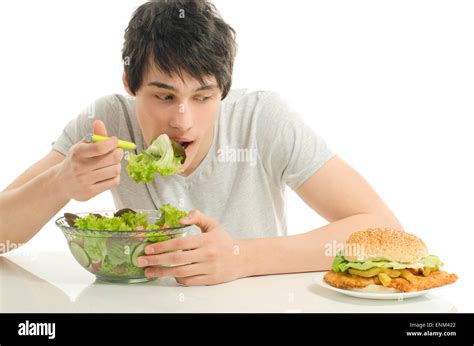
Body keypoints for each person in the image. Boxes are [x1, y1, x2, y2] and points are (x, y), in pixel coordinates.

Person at [0, 0, 402, 286]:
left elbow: (387, 232)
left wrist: (241, 258)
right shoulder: (107, 123)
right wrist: (60, 184)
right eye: (163, 96)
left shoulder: (262, 120)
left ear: (223, 90)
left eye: (203, 97)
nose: (183, 121)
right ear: (130, 84)